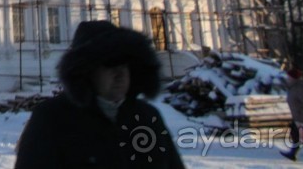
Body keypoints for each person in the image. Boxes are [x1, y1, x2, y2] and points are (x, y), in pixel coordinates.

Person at [15, 20, 185, 169]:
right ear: (87, 70)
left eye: (125, 63)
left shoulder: (147, 118)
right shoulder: (52, 120)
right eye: (110, 63)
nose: (120, 73)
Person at [281, 67, 303, 162]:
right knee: (296, 134)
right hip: (298, 116)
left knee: (300, 135)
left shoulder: (301, 87)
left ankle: (292, 153)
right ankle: (292, 153)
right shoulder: (293, 87)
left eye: (289, 77)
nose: (287, 78)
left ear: (294, 78)